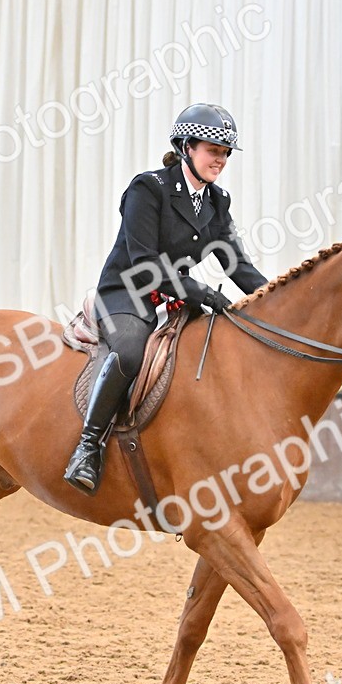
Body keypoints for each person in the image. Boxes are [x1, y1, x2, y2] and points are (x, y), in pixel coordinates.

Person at [63, 103, 269, 495]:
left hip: (176, 301)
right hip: (127, 292)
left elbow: (236, 263)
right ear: (188, 146)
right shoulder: (149, 188)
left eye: (225, 153)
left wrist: (270, 300)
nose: (221, 160)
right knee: (128, 352)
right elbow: (144, 264)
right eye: (214, 150)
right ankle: (87, 447)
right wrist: (204, 293)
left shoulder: (217, 202)